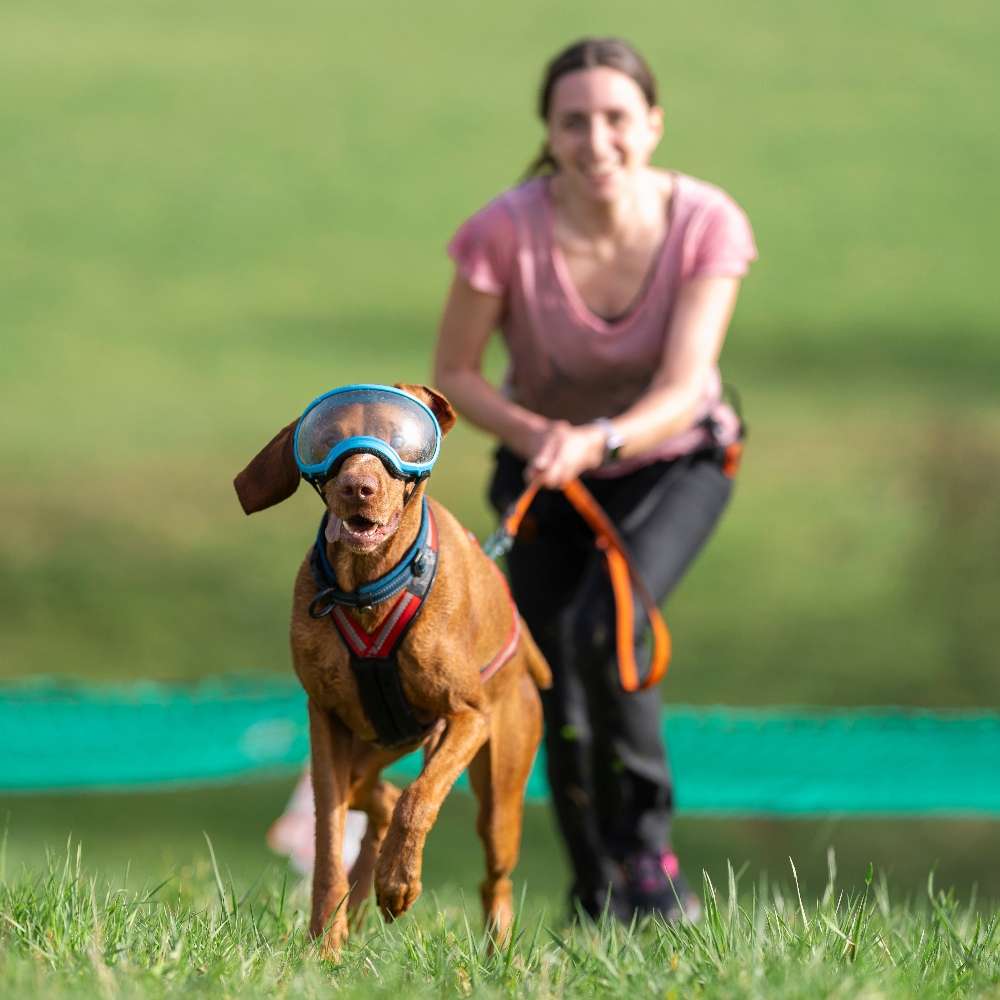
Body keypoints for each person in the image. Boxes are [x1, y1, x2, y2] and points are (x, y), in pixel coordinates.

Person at [433, 37, 757, 922]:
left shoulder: (705, 223)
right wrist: (545, 434)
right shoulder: (503, 231)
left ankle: (649, 860)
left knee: (603, 625)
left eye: (617, 118)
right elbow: (455, 372)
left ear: (652, 124)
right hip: (542, 466)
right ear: (550, 131)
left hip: (673, 464)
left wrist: (598, 439)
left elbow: (687, 387)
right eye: (575, 121)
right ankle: (590, 882)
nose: (597, 138)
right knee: (544, 674)